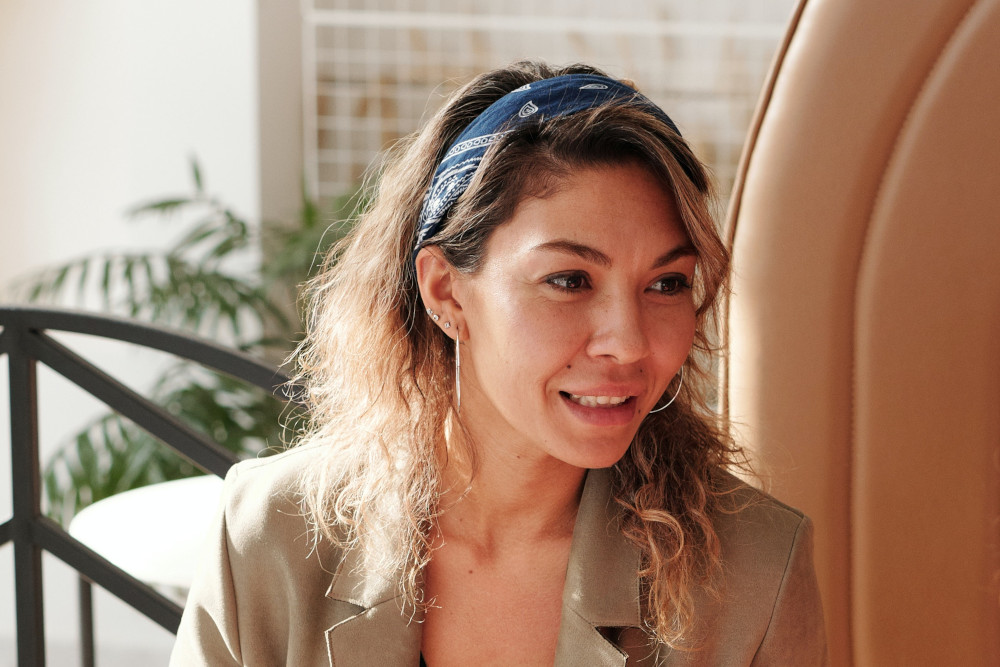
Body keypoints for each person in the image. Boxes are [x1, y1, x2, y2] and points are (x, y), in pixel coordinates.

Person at [171, 60, 827, 666]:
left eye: (667, 283)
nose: (628, 343)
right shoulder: (267, 540)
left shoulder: (755, 573)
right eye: (569, 280)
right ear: (446, 291)